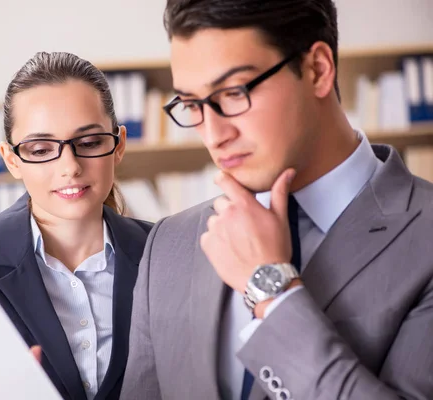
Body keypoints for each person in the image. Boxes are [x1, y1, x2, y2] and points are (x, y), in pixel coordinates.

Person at [121, 1, 433, 399]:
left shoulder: (425, 235)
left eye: (233, 93)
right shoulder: (170, 243)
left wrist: (271, 290)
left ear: (317, 69)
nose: (214, 134)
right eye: (192, 104)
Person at [0, 51, 153, 400]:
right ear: (12, 159)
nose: (70, 167)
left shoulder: (163, 249)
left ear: (118, 145)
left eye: (90, 142)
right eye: (40, 149)